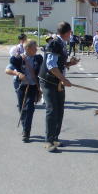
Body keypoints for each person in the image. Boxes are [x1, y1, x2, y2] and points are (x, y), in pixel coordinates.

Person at [39, 21, 79, 152]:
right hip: (49, 81)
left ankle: (55, 137)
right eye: (70, 32)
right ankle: (49, 141)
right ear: (68, 33)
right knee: (52, 110)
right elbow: (51, 66)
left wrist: (69, 63)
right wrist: (64, 79)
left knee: (59, 110)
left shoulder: (61, 43)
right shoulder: (55, 43)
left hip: (58, 82)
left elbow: (58, 63)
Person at [5, 40, 43, 143]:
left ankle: (26, 132)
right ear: (28, 49)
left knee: (29, 108)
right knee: (22, 108)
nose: (36, 49)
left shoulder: (38, 59)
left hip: (33, 86)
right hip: (21, 87)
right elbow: (7, 70)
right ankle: (25, 127)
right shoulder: (18, 59)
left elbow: (44, 70)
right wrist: (18, 74)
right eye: (34, 48)